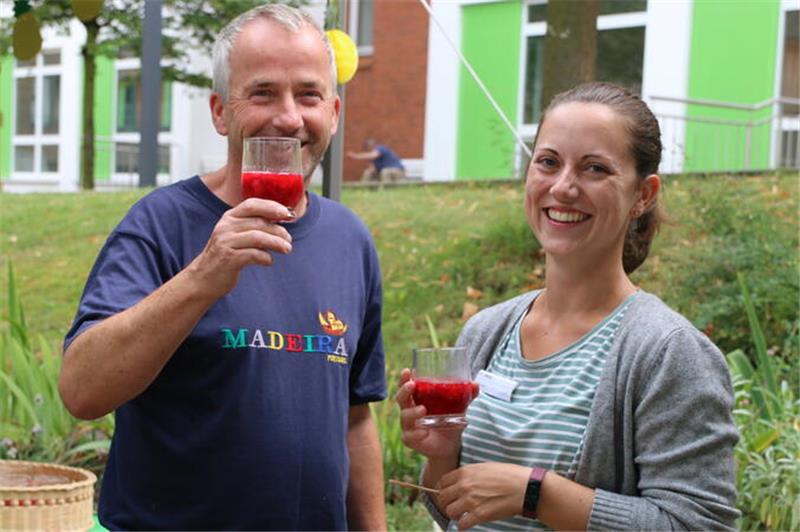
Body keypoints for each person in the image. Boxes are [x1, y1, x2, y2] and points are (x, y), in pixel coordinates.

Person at [59, 5, 387, 530]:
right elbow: (81, 390)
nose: (288, 117)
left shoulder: (349, 239)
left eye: (308, 95)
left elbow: (354, 418)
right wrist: (202, 277)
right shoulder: (161, 224)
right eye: (262, 93)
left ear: (334, 112)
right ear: (219, 112)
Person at [396, 82, 740, 531]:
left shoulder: (667, 352)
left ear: (644, 194)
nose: (563, 187)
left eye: (595, 168)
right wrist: (441, 456)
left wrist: (537, 493)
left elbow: (699, 525)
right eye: (548, 162)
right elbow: (457, 510)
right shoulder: (486, 331)